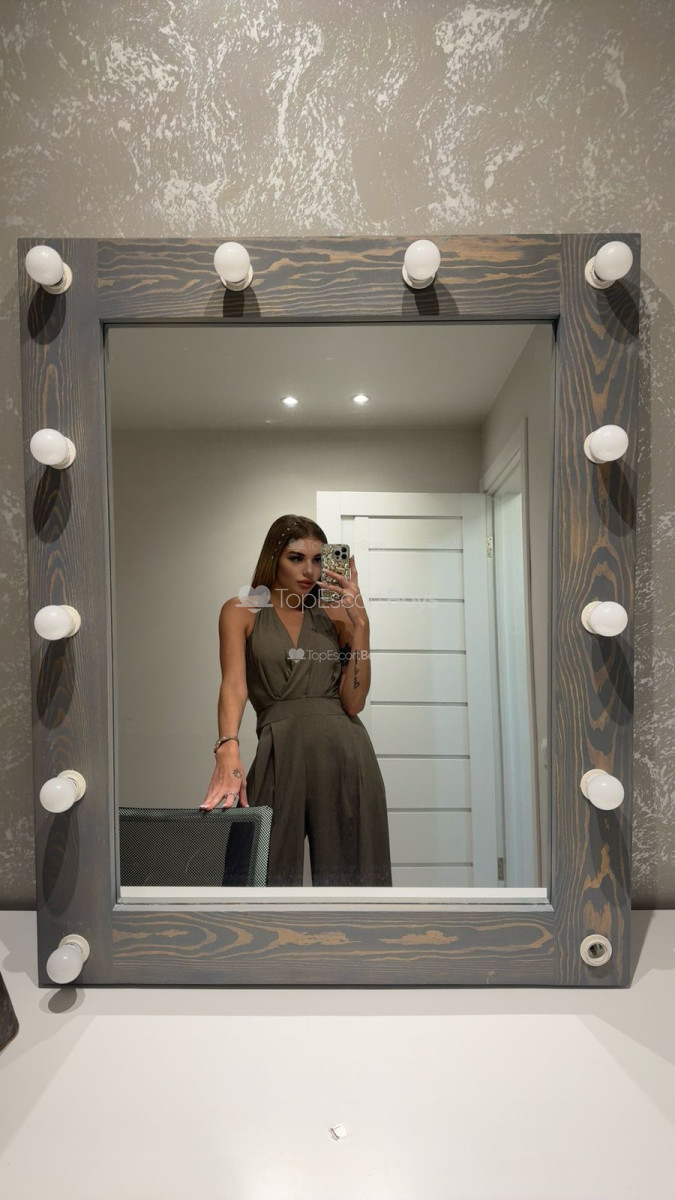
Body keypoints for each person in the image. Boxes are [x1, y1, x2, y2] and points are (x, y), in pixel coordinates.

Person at [200, 514, 393, 887]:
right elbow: (234, 684)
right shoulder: (241, 610)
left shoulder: (337, 614)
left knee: (353, 884)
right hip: (279, 748)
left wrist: (361, 624)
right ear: (274, 558)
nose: (310, 570)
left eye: (318, 559)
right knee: (260, 875)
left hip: (344, 752)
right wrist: (227, 746)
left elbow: (354, 702)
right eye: (296, 558)